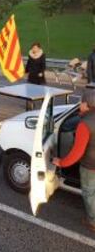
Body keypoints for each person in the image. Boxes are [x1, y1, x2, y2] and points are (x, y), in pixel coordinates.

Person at [52, 90, 95, 232]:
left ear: (87, 104)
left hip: (90, 167)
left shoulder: (85, 124)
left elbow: (77, 152)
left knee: (89, 194)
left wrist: (61, 162)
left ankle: (93, 221)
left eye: (81, 102)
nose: (79, 105)